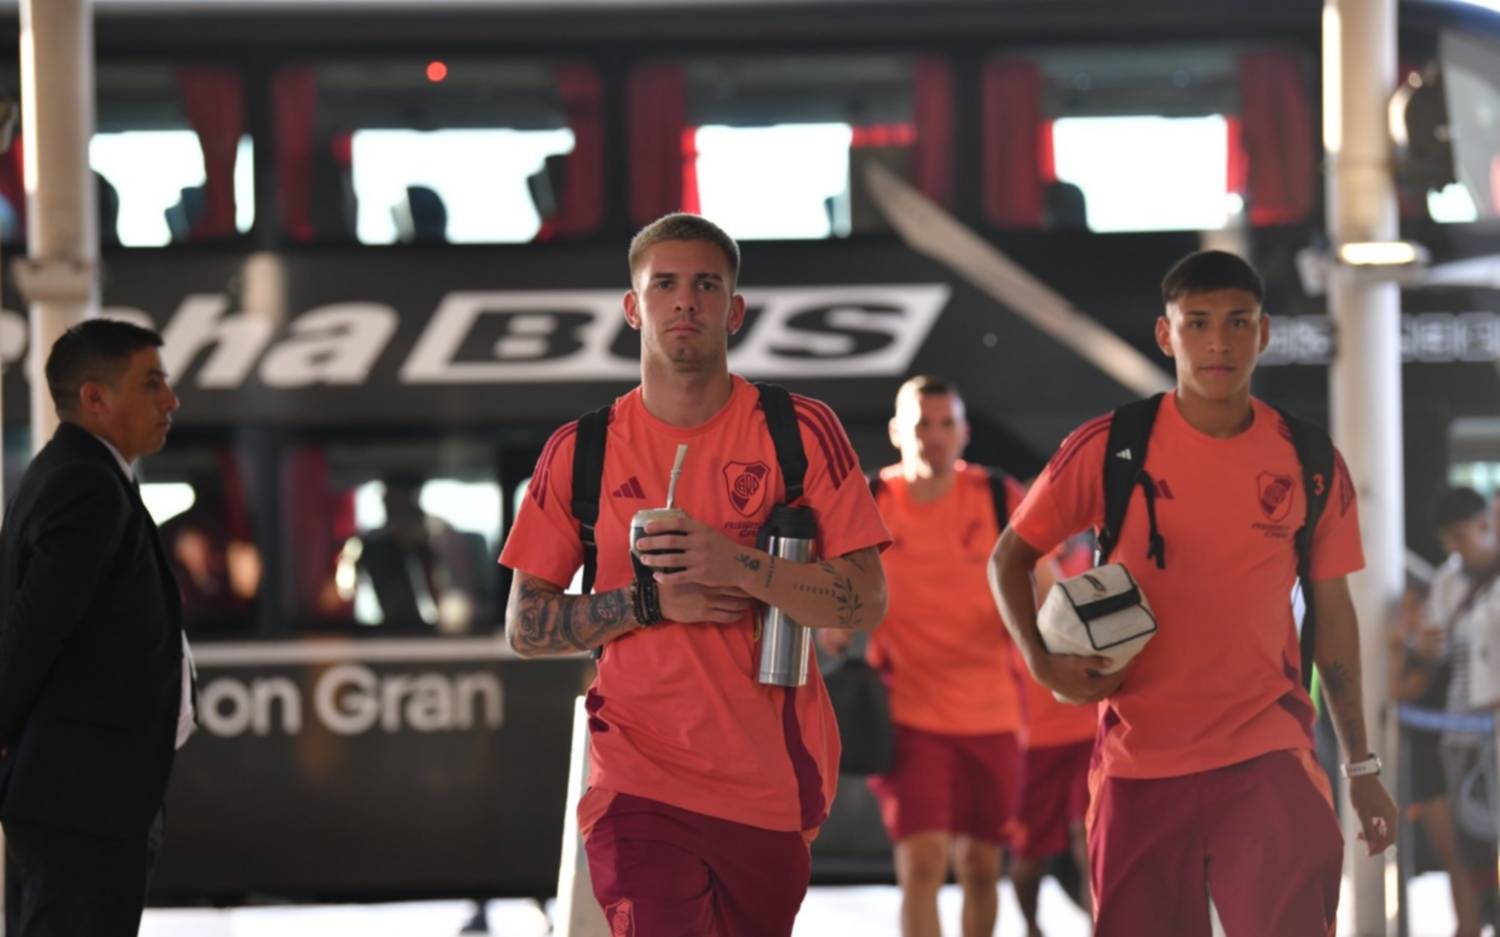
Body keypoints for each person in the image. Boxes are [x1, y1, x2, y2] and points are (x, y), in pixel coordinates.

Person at [499, 212, 890, 937]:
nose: (685, 301)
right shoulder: (582, 448)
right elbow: (525, 626)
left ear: (734, 311)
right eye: (665, 284)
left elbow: (866, 599)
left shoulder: (799, 431)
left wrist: (736, 562)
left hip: (770, 782)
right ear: (633, 307)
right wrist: (649, 602)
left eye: (707, 285)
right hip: (636, 781)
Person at [989, 250, 1398, 935]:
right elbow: (1009, 557)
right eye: (1198, 323)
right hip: (1138, 762)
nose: (1219, 343)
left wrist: (1361, 765)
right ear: (1166, 334)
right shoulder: (1111, 446)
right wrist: (1040, 660)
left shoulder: (1309, 460)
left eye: (1238, 322)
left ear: (1263, 333)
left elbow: (1334, 615)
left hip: (1268, 756)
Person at [0, 319, 189, 936]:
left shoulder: (77, 472)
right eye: (152, 383)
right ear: (95, 398)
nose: (171, 401)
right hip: (83, 799)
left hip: (79, 796)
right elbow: (33, 629)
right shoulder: (86, 485)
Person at [819, 374, 1024, 937]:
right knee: (922, 866)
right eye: (921, 425)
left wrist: (1069, 640)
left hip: (994, 714)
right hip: (910, 716)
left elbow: (1045, 582)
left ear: (963, 432)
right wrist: (836, 623)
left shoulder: (998, 497)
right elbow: (837, 587)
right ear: (896, 432)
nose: (933, 436)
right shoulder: (871, 502)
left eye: (945, 424)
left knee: (982, 868)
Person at [1010, 536, 1098, 937]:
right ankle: (1031, 928)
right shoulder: (1011, 563)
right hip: (1030, 739)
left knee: (1090, 840)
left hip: (1087, 732)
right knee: (1028, 856)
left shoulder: (1090, 562)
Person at [1425, 486, 1500, 929]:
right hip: (1459, 733)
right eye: (1448, 539)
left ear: (1484, 524)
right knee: (1470, 841)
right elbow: (1437, 650)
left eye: (1462, 536)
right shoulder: (1448, 582)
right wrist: (1423, 646)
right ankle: (1477, 920)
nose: (1456, 548)